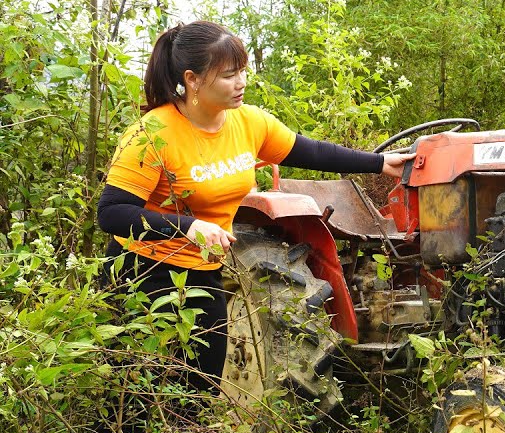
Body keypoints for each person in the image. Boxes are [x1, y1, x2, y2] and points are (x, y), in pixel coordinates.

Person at [97, 20, 412, 393]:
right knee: (136, 395)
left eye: (243, 71)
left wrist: (380, 163)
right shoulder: (152, 134)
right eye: (229, 75)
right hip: (141, 273)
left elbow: (309, 150)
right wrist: (188, 226)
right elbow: (112, 212)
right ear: (193, 79)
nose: (241, 82)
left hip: (201, 274)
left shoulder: (248, 122)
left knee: (201, 391)